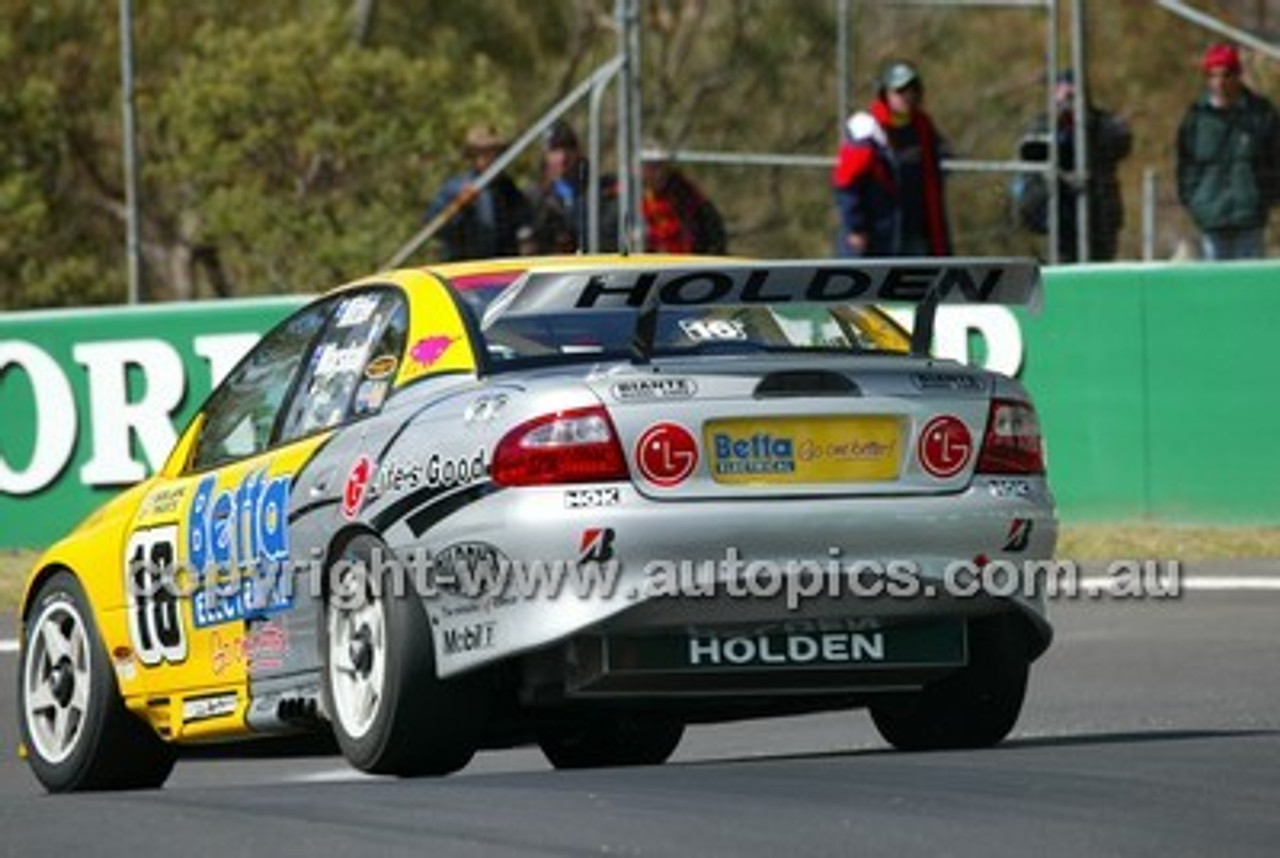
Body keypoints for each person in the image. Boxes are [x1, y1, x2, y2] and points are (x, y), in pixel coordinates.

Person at [832, 60, 952, 258]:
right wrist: (856, 227)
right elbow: (846, 183)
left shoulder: (923, 126)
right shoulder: (867, 129)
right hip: (876, 234)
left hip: (913, 230)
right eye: (899, 91)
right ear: (885, 94)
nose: (906, 96)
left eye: (911, 90)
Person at [1014, 70, 1132, 262]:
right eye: (1064, 94)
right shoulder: (1043, 124)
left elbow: (1121, 143)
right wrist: (1060, 124)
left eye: (1073, 94)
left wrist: (1084, 123)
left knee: (1100, 272)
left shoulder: (1103, 123)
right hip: (1058, 217)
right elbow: (1031, 152)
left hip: (1099, 215)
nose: (1069, 100)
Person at [1176, 43, 1280, 261]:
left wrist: (1264, 198)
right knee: (1214, 286)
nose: (1219, 82)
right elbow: (1186, 164)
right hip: (1211, 219)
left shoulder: (1261, 115)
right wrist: (1196, 201)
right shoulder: (1197, 118)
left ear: (1237, 75)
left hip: (1249, 218)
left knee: (1249, 285)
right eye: (1213, 76)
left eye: (1225, 75)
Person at [423, 123, 533, 260]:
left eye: (495, 152)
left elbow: (525, 221)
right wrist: (461, 208)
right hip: (466, 269)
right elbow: (434, 226)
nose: (491, 158)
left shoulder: (508, 189)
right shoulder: (456, 188)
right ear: (473, 156)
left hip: (502, 268)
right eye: (484, 153)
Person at [528, 120, 619, 253]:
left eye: (568, 149)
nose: (563, 157)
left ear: (578, 152)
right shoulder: (533, 198)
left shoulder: (601, 191)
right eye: (555, 150)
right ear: (544, 156)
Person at [642, 151, 728, 254]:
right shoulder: (631, 198)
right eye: (650, 168)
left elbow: (714, 234)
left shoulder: (687, 195)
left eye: (660, 167)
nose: (657, 175)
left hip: (686, 261)